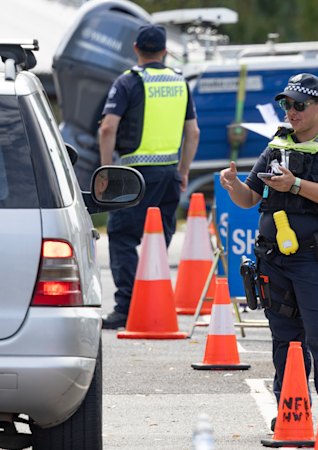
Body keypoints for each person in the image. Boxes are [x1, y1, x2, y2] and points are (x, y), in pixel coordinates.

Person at [218, 73, 318, 438]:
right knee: (286, 340)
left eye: (299, 105)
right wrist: (234, 186)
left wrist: (296, 185)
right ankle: (292, 410)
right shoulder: (278, 144)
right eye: (287, 104)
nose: (291, 112)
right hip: (276, 259)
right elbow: (249, 198)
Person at [99, 24, 200, 329]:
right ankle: (154, 303)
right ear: (165, 51)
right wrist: (183, 171)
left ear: (136, 48)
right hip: (168, 173)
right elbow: (193, 132)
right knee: (158, 240)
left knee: (122, 237)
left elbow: (108, 128)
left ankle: (127, 308)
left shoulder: (128, 82)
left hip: (132, 175)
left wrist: (106, 171)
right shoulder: (180, 82)